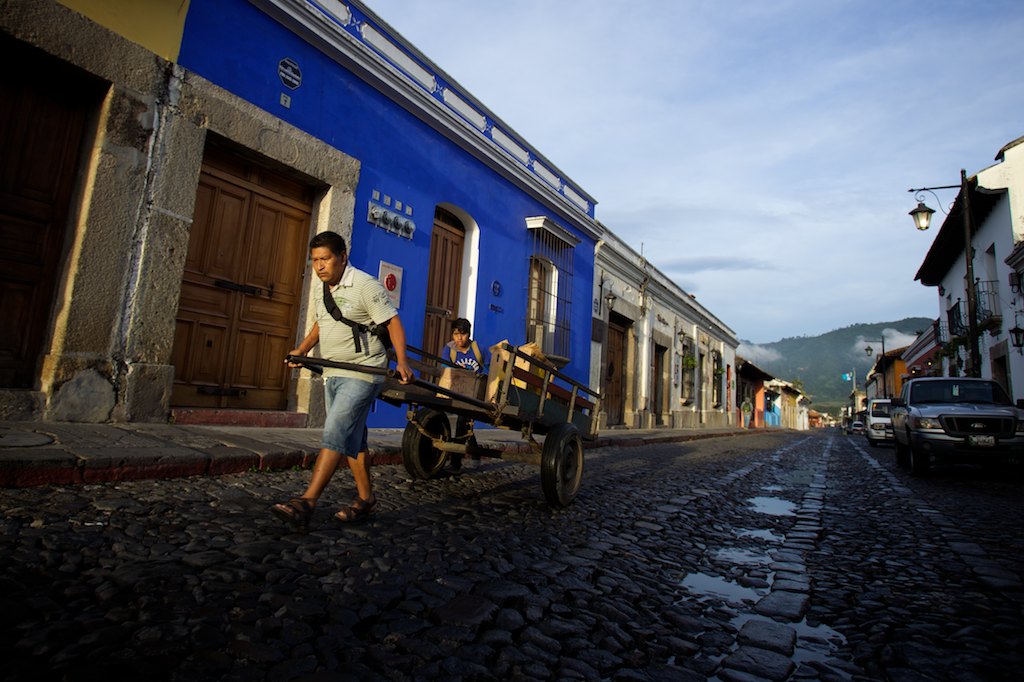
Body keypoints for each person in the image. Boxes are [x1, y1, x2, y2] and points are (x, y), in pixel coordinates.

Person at [272, 231, 413, 529]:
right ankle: (366, 500)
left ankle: (307, 501)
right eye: (315, 260)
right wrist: (302, 349)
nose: (320, 266)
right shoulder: (322, 288)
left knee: (336, 430)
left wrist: (401, 361)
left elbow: (393, 322)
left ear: (342, 257)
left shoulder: (364, 285)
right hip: (333, 373)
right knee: (353, 439)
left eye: (325, 259)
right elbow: (321, 325)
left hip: (363, 372)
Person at [440, 318, 485, 471]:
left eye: (463, 334)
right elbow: (446, 371)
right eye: (456, 334)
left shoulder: (478, 349)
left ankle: (455, 463)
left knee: (461, 422)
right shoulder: (449, 350)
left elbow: (491, 368)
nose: (459, 338)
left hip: (473, 395)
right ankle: (475, 452)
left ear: (469, 334)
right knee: (463, 424)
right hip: (455, 392)